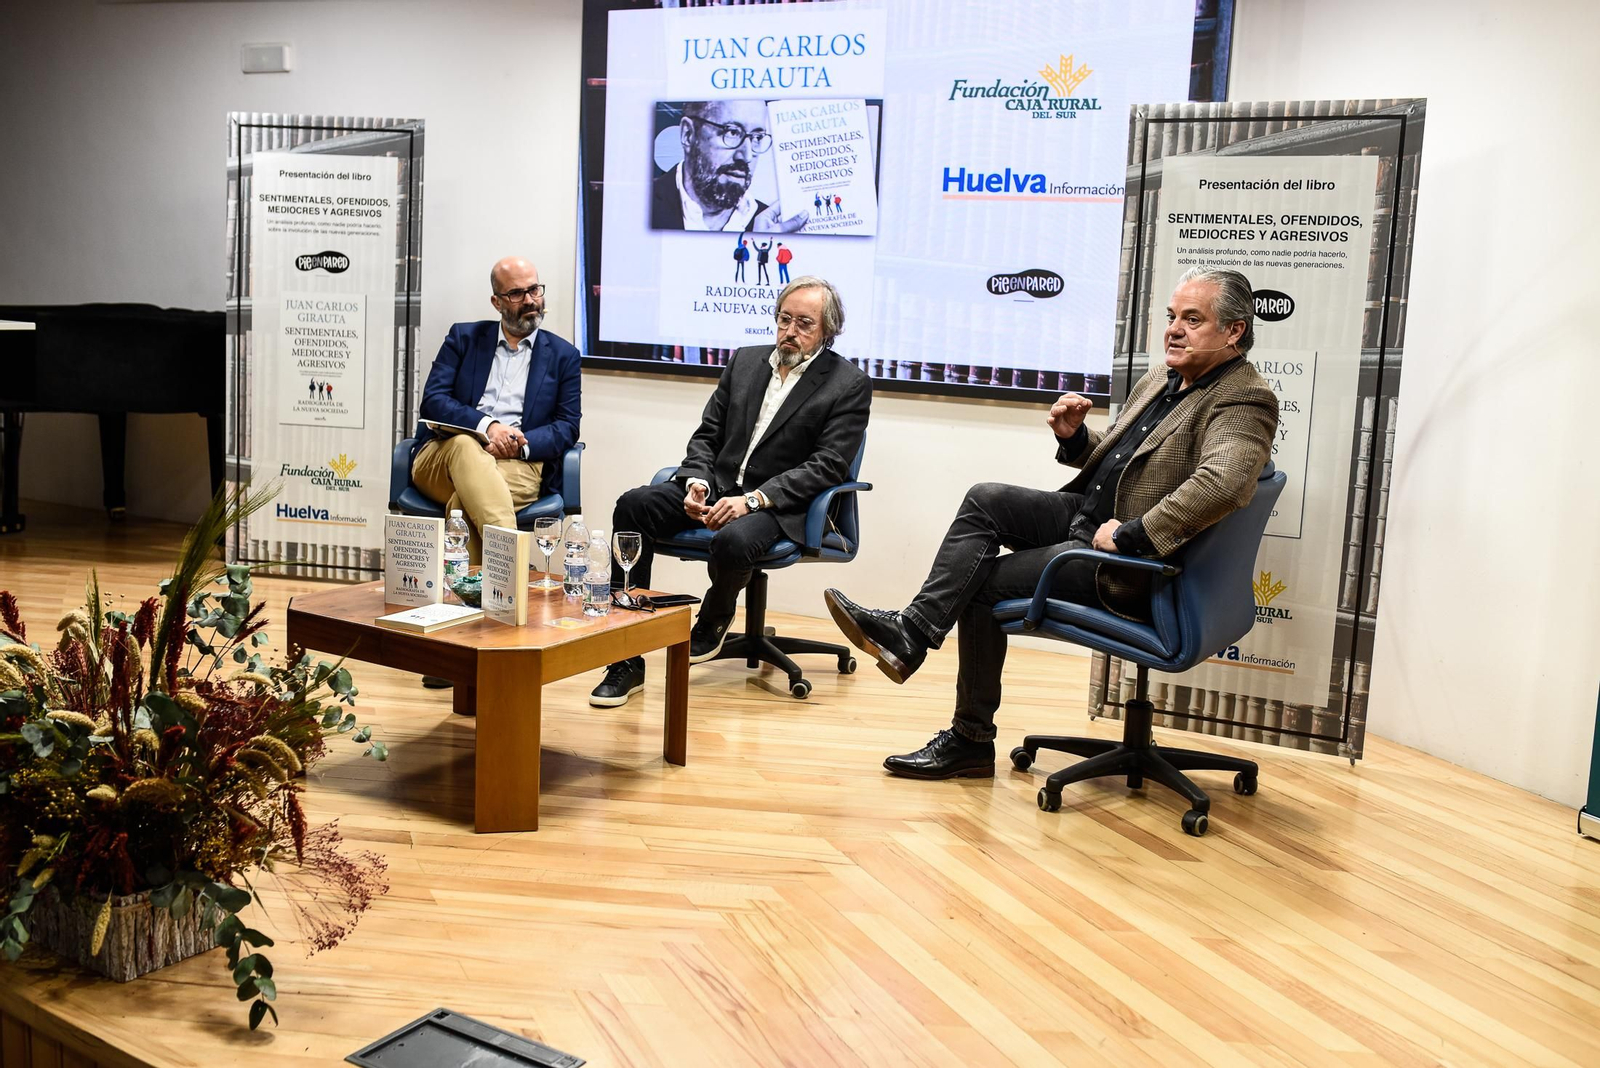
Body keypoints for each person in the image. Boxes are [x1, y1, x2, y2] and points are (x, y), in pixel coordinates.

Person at [823, 266, 1279, 779]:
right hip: (1088, 519)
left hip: (1127, 561)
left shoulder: (1243, 397)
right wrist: (1077, 439)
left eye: (1192, 319)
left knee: (980, 586)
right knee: (985, 499)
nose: (1173, 329)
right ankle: (913, 629)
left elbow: (1223, 484)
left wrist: (1133, 535)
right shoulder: (1164, 377)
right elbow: (1132, 462)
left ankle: (970, 740)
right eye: (1172, 316)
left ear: (1233, 331)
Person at [590, 276, 872, 707]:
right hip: (718, 487)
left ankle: (713, 620)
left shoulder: (847, 383)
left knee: (735, 539)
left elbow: (828, 465)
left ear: (827, 332)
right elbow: (707, 435)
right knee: (634, 506)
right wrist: (698, 482)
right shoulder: (745, 362)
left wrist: (753, 500)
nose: (790, 332)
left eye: (804, 323)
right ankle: (625, 655)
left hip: (779, 504)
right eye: (784, 319)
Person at [410, 256, 581, 564]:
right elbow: (433, 400)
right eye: (517, 293)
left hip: (519, 463)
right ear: (496, 301)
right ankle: (512, 569)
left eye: (535, 290)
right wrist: (487, 427)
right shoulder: (464, 338)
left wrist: (517, 444)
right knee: (464, 445)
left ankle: (468, 598)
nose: (530, 300)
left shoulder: (563, 355)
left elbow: (567, 426)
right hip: (443, 455)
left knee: (463, 502)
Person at [651, 100, 808, 233]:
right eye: (732, 132)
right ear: (688, 135)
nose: (746, 156)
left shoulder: (771, 227)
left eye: (757, 137)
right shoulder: (639, 205)